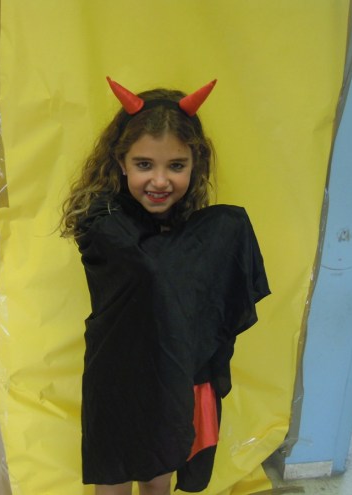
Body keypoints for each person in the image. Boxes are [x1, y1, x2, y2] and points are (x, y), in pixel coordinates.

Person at [60, 77, 270, 495]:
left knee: (159, 477)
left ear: (196, 164)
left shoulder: (180, 223)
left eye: (176, 166)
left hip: (169, 372)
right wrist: (226, 229)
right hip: (118, 375)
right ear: (121, 162)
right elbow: (155, 267)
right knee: (114, 481)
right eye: (144, 165)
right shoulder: (102, 222)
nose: (160, 181)